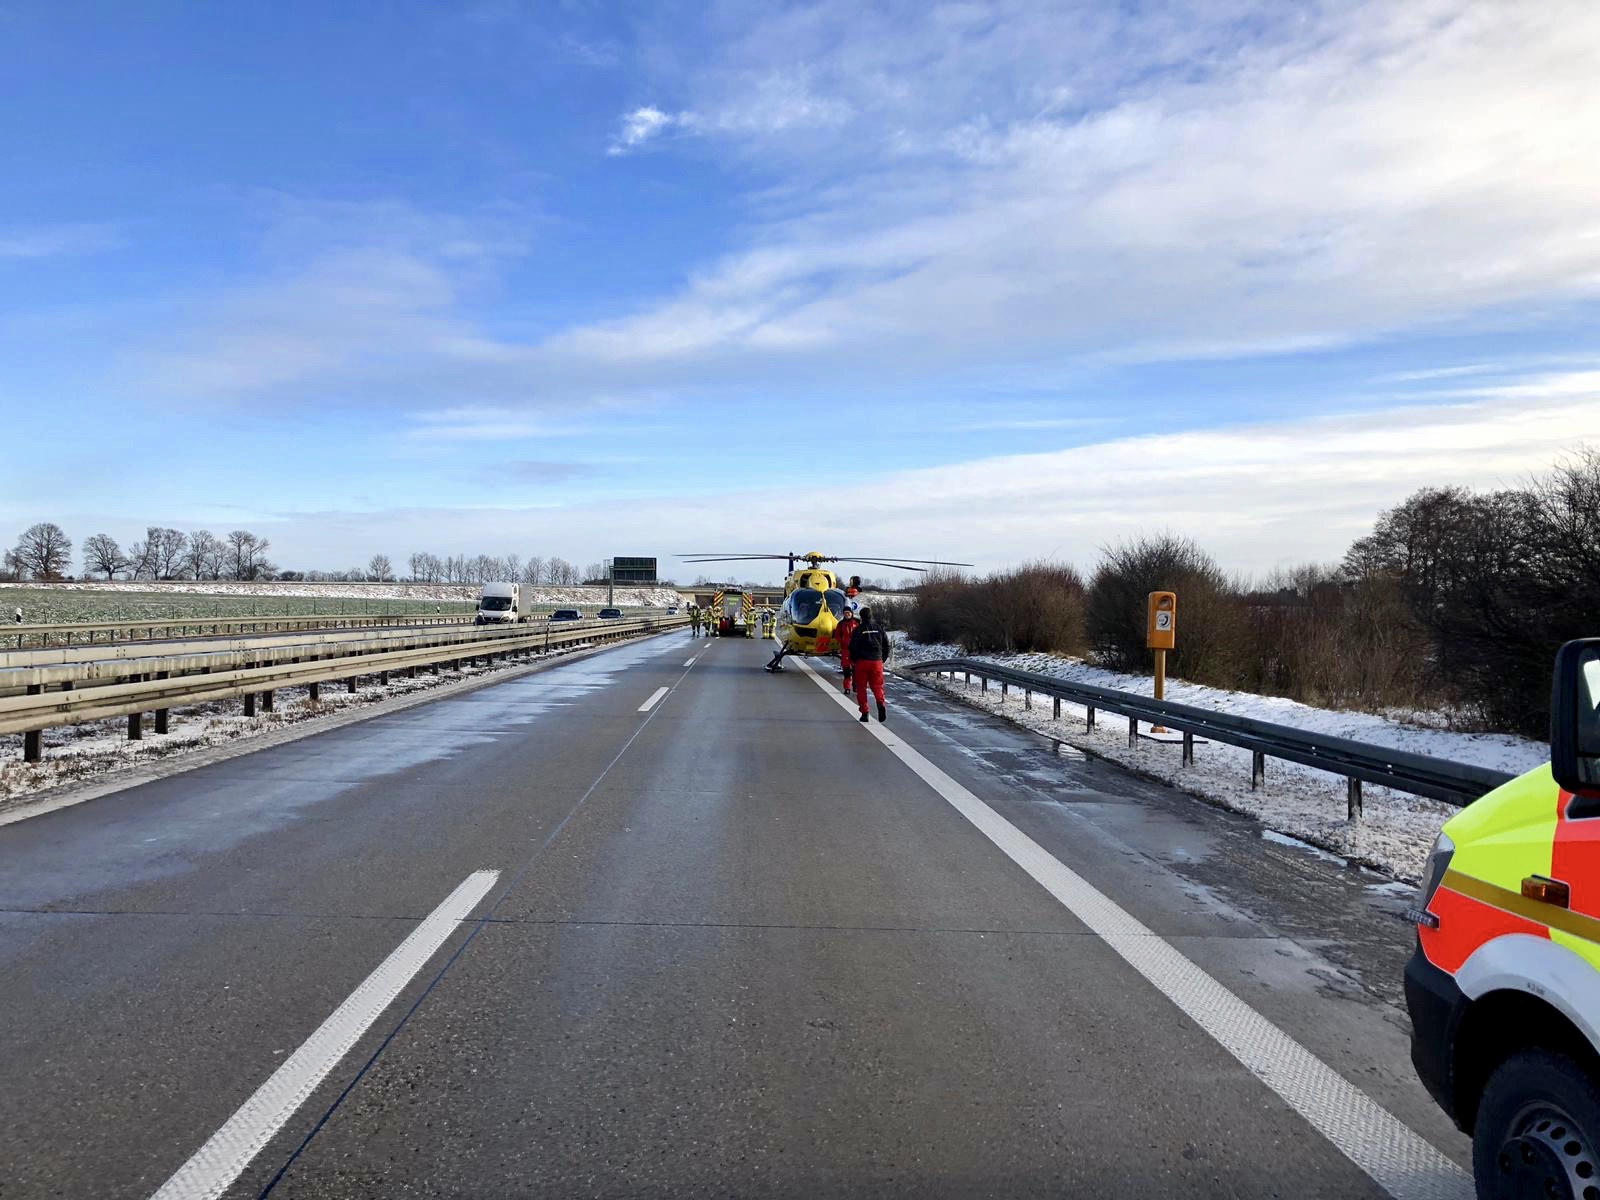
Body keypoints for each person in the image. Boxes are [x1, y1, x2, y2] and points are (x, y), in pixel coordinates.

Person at [848, 606, 891, 722]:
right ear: (871, 616)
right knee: (877, 686)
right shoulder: (879, 628)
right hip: (876, 661)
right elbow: (886, 645)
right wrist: (882, 658)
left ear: (861, 617)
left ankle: (865, 712)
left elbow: (852, 647)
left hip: (862, 662)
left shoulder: (858, 630)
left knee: (861, 688)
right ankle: (881, 704)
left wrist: (854, 660)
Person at [834, 606, 860, 694]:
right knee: (846, 670)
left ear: (851, 613)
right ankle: (847, 687)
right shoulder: (841, 624)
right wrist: (842, 642)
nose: (847, 614)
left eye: (848, 613)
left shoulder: (857, 622)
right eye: (845, 613)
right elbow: (837, 635)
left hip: (856, 650)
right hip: (845, 650)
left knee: (856, 669)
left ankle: (855, 685)